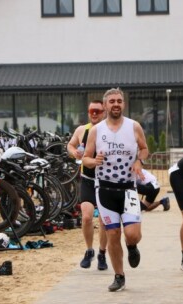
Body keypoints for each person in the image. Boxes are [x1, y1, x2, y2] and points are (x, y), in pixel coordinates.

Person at [82, 87, 149, 292]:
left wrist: (139, 160)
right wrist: (94, 161)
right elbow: (85, 158)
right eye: (112, 101)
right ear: (105, 105)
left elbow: (145, 149)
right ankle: (119, 275)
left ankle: (132, 246)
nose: (116, 104)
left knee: (132, 234)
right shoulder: (96, 130)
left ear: (124, 104)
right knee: (112, 234)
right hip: (104, 190)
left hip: (128, 189)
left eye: (119, 101)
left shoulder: (133, 126)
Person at [67, 100, 108, 271]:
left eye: (98, 111)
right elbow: (70, 144)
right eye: (92, 110)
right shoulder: (82, 129)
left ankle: (102, 253)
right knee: (86, 217)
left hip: (106, 181)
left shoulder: (109, 130)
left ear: (104, 112)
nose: (94, 113)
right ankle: (89, 250)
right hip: (88, 180)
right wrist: (74, 152)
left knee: (105, 221)